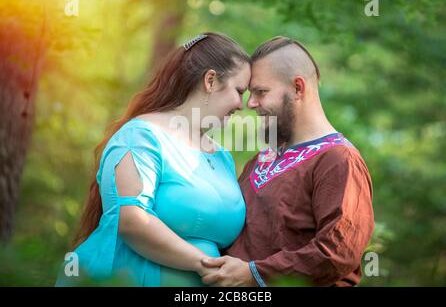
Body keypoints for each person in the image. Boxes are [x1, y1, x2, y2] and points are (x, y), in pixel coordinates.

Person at [55, 32, 251, 286]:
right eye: (239, 91)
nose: (242, 105)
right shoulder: (141, 136)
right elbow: (132, 221)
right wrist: (204, 265)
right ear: (211, 80)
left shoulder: (223, 157)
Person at [201, 36, 375, 287]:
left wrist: (255, 274)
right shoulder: (261, 160)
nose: (250, 104)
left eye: (261, 92)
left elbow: (337, 253)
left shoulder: (339, 160)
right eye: (250, 93)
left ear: (298, 88)